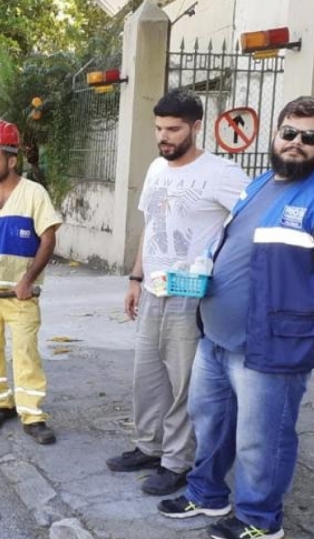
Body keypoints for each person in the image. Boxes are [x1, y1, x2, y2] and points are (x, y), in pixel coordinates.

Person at [158, 96, 314, 539]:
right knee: (210, 422)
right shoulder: (259, 186)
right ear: (276, 134)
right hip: (218, 337)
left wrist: (301, 298)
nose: (296, 143)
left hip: (272, 343)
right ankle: (206, 494)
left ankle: (260, 517)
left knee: (262, 437)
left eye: (309, 136)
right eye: (289, 133)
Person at [105, 89, 250, 496]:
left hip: (192, 294)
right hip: (153, 289)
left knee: (184, 382)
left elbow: (250, 223)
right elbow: (150, 226)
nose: (164, 137)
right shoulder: (156, 168)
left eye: (173, 129)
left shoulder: (222, 173)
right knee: (148, 377)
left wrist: (222, 271)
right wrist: (135, 278)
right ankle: (149, 446)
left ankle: (177, 461)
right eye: (158, 129)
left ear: (196, 126)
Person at [0, 120, 61, 445]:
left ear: (12, 160)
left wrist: (27, 280)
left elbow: (48, 239)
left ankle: (32, 415)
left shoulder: (34, 194)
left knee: (25, 352)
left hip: (20, 294)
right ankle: (0, 403)